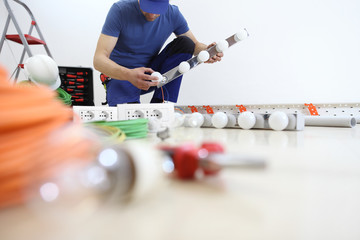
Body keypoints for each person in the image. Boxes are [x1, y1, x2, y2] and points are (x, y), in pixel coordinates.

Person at [93, 0, 223, 106]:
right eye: (148, 7)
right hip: (121, 76)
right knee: (130, 121)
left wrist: (207, 51)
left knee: (186, 43)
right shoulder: (120, 10)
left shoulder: (173, 13)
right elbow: (98, 60)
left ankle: (160, 103)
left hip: (152, 74)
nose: (152, 14)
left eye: (158, 9)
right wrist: (129, 74)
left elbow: (194, 45)